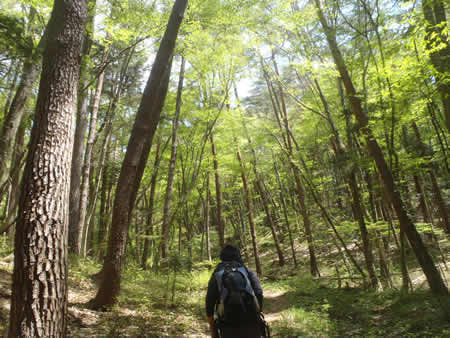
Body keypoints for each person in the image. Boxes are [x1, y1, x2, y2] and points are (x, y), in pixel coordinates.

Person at [205, 245, 265, 338]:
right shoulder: (247, 271)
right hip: (251, 321)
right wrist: (257, 312)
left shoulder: (217, 275)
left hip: (228, 325)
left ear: (222, 257)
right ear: (238, 256)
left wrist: (213, 332)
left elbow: (209, 304)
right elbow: (259, 293)